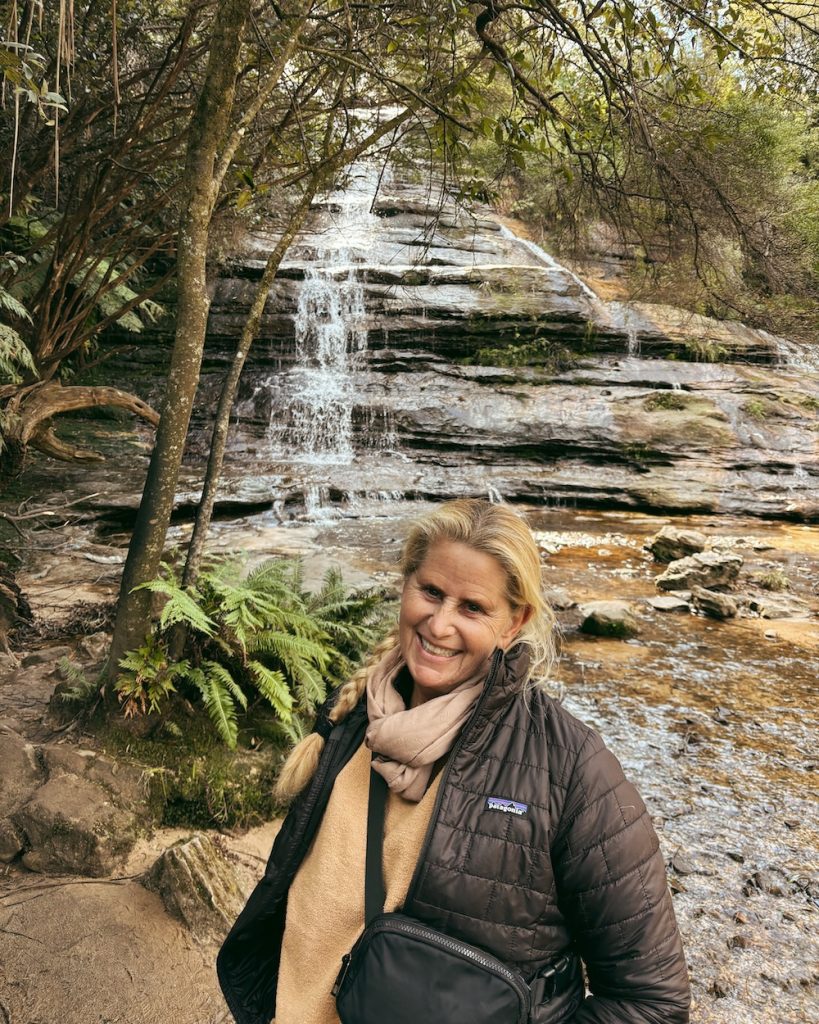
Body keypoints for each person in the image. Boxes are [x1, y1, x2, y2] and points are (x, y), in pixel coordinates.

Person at [217, 499, 690, 1024]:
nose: (440, 624)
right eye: (431, 592)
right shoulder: (350, 716)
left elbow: (652, 1001)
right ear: (405, 583)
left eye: (472, 608)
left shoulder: (572, 769)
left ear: (514, 622)